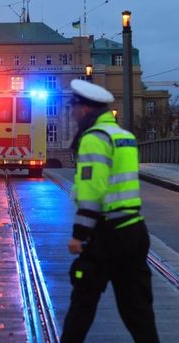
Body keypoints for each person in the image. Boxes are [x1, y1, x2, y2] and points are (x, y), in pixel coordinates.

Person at [61, 79, 159, 343]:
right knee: (137, 310)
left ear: (85, 109)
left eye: (74, 108)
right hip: (135, 230)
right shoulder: (125, 136)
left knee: (82, 303)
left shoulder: (94, 139)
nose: (72, 113)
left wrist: (79, 235)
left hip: (108, 234)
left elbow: (93, 191)